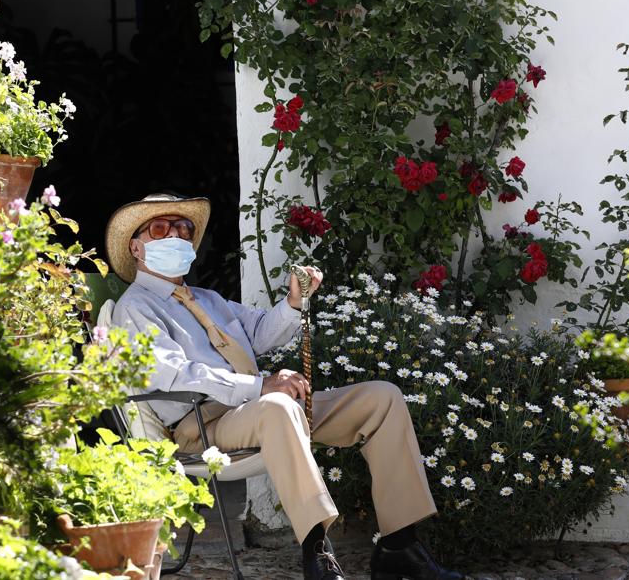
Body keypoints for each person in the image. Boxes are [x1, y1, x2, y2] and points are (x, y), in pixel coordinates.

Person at [105, 193, 462, 580]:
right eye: (161, 228)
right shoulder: (134, 308)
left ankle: (398, 547)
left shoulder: (208, 299)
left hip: (257, 412)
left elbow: (257, 332)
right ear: (136, 246)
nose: (175, 235)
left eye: (183, 228)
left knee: (382, 398)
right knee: (278, 405)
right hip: (201, 425)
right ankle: (317, 553)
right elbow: (176, 375)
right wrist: (260, 386)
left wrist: (295, 301)